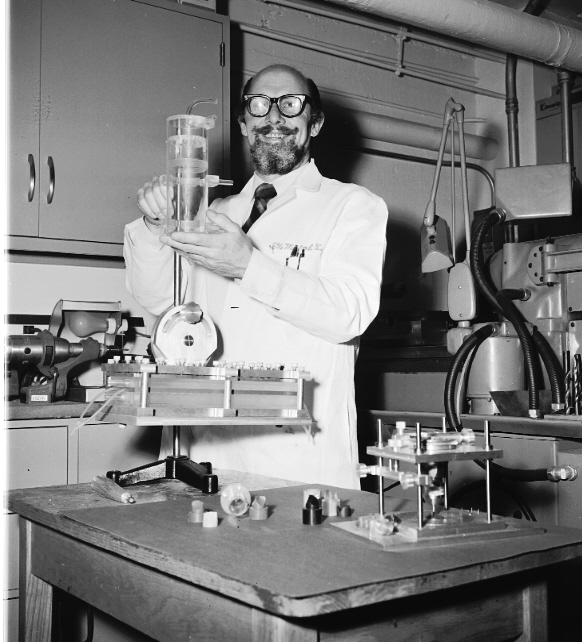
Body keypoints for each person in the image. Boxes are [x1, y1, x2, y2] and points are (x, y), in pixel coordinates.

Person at [124, 64, 388, 489]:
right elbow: (158, 302)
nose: (274, 117)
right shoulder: (211, 213)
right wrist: (154, 230)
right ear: (245, 124)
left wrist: (248, 265)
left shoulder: (353, 206)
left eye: (291, 104)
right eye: (259, 105)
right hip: (204, 449)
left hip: (295, 459)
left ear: (314, 123)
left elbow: (348, 314)